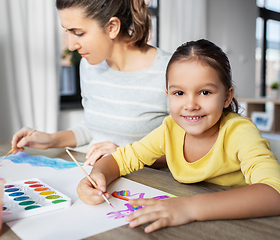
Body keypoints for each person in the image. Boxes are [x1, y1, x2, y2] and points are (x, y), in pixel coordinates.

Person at [77, 39, 280, 233]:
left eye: (205, 92)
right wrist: (98, 176)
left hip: (242, 226)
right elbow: (120, 159)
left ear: (227, 97)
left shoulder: (239, 132)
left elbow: (276, 194)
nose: (190, 105)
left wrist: (188, 207)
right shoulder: (169, 129)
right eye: (179, 93)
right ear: (167, 95)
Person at [10, 0, 171, 166]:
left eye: (78, 33)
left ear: (112, 27)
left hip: (148, 185)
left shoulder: (169, 71)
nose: (71, 46)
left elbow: (189, 151)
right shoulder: (89, 66)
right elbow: (94, 128)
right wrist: (50, 140)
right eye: (67, 32)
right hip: (97, 174)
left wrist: (125, 154)